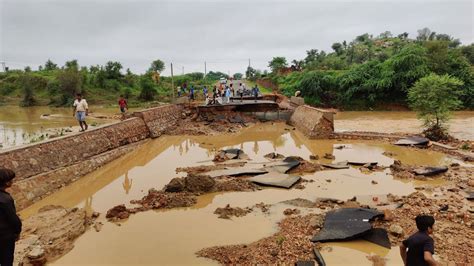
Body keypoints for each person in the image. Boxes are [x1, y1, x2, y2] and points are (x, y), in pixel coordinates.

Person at [0, 168, 22, 266]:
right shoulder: (5, 199)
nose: (12, 181)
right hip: (5, 236)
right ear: (6, 182)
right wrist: (17, 232)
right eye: (10, 180)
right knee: (7, 260)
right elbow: (13, 219)